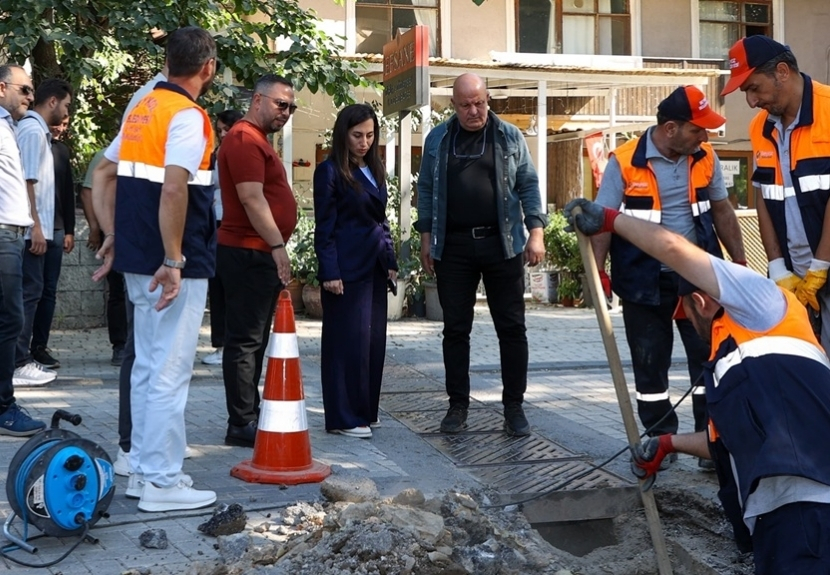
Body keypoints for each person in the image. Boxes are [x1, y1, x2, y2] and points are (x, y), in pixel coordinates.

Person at [566, 196, 830, 574]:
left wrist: (612, 220)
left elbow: (672, 247)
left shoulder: (765, 304)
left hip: (809, 502)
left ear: (700, 301)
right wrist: (669, 443)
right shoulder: (734, 359)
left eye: (684, 312)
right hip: (779, 512)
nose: (686, 321)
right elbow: (725, 441)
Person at [91, 26, 218, 512]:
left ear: (168, 62)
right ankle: (163, 483)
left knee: (146, 365)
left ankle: (144, 473)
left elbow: (102, 173)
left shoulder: (143, 110)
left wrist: (114, 234)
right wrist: (173, 258)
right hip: (171, 264)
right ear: (207, 67)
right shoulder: (187, 116)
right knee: (168, 369)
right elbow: (173, 189)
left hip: (138, 258)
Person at [591, 86, 745, 468]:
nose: (705, 137)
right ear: (672, 128)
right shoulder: (625, 162)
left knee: (710, 362)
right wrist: (597, 273)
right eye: (698, 129)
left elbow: (723, 211)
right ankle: (661, 443)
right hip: (644, 281)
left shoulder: (704, 156)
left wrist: (739, 267)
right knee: (650, 368)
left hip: (699, 277)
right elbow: (602, 221)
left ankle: (709, 443)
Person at [416, 73, 547, 437]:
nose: (474, 111)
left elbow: (528, 184)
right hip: (453, 246)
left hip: (502, 243)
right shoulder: (438, 139)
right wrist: (426, 237)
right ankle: (457, 406)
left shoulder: (509, 136)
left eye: (480, 103)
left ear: (488, 99)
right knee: (455, 329)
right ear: (453, 105)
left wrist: (536, 232)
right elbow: (425, 188)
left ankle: (514, 407)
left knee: (512, 327)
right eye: (466, 105)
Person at [721, 36, 830, 353]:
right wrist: (778, 267)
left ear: (782, 71)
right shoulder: (760, 128)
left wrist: (820, 266)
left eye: (754, 88)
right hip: (795, 278)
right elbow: (764, 198)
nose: (752, 102)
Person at [216, 75, 298, 447]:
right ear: (258, 100)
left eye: (291, 107)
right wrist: (277, 244)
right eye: (281, 104)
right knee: (246, 341)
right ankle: (241, 421)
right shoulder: (244, 138)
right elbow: (251, 199)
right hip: (248, 250)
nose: (287, 112)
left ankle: (249, 411)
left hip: (256, 250)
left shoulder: (257, 140)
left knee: (255, 339)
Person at [313, 104, 398, 439]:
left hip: (375, 266)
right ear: (343, 134)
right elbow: (325, 227)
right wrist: (329, 270)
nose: (364, 142)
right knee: (346, 343)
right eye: (357, 135)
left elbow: (382, 221)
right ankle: (344, 417)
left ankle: (366, 411)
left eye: (370, 135)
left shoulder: (373, 169)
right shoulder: (330, 171)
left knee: (372, 343)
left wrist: (390, 261)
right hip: (345, 269)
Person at [13, 78, 72, 386]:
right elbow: (27, 182)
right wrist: (35, 227)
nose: (66, 113)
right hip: (31, 232)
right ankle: (18, 361)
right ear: (52, 102)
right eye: (65, 105)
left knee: (31, 294)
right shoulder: (33, 132)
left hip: (38, 229)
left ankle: (21, 358)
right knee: (28, 295)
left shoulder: (36, 132)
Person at [0, 65, 46, 435]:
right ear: (2, 88)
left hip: (12, 234)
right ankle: (3, 408)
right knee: (11, 320)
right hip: (2, 235)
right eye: (25, 90)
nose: (31, 98)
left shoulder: (9, 126)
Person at [28, 115, 75, 370]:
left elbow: (68, 192)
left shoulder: (62, 151)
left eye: (66, 125)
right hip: (36, 228)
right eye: (59, 122)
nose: (61, 128)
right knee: (31, 291)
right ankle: (20, 348)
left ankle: (40, 346)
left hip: (57, 228)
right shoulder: (33, 140)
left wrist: (70, 230)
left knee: (48, 291)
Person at [202, 109, 243, 367]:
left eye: (226, 128)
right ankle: (220, 344)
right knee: (217, 286)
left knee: (236, 288)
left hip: (238, 223)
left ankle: (236, 343)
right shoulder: (215, 155)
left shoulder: (246, 152)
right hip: (216, 221)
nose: (223, 134)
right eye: (219, 130)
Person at [81, 148, 127, 366]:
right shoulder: (107, 155)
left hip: (143, 232)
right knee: (117, 291)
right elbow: (88, 191)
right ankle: (119, 345)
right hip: (115, 232)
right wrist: (95, 227)